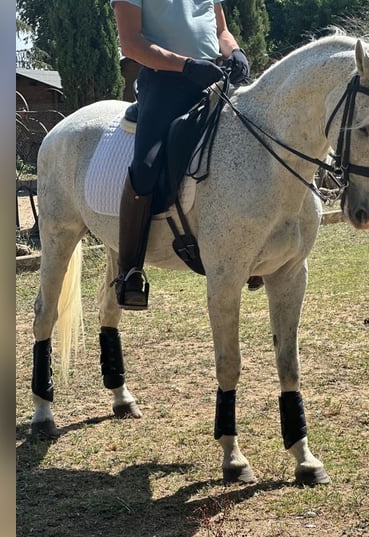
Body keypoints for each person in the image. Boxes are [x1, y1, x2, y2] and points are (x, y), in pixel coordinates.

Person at [111, 0, 250, 310]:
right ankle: (129, 271)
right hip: (164, 84)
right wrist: (186, 65)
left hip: (213, 79)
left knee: (248, 144)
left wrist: (234, 51)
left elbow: (221, 30)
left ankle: (252, 246)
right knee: (145, 167)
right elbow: (131, 43)